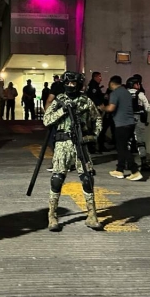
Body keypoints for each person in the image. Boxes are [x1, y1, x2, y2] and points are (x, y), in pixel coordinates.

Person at [43, 71, 103, 231]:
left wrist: (94, 136)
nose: (71, 86)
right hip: (63, 145)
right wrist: (63, 111)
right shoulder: (59, 100)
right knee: (57, 179)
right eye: (68, 83)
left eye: (73, 83)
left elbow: (97, 118)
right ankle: (52, 215)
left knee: (87, 179)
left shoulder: (85, 100)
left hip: (81, 144)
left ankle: (92, 215)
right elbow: (46, 120)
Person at [101, 75, 142, 181]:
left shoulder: (115, 93)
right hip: (130, 123)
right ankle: (119, 170)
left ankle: (135, 171)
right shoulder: (126, 92)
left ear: (111, 83)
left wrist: (102, 108)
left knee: (122, 148)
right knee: (121, 147)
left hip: (121, 124)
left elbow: (111, 108)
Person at [126, 76, 150, 171]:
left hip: (127, 120)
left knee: (128, 141)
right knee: (140, 142)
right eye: (138, 83)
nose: (139, 85)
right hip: (138, 119)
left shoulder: (124, 94)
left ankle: (127, 163)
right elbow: (148, 108)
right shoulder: (140, 94)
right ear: (134, 85)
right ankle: (144, 163)